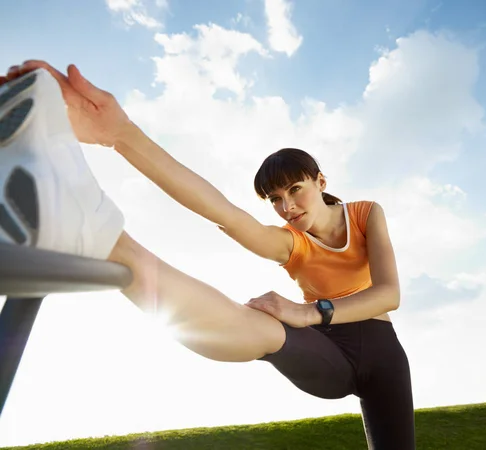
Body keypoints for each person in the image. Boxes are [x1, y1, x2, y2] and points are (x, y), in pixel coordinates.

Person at [0, 61, 415, 449]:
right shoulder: (290, 243)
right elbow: (224, 213)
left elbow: (388, 294)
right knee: (263, 327)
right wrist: (120, 134)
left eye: (295, 190)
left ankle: (93, 229)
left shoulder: (365, 214)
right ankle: (101, 236)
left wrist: (308, 312)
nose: (286, 207)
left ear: (320, 181)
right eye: (274, 199)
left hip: (383, 357)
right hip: (328, 354)